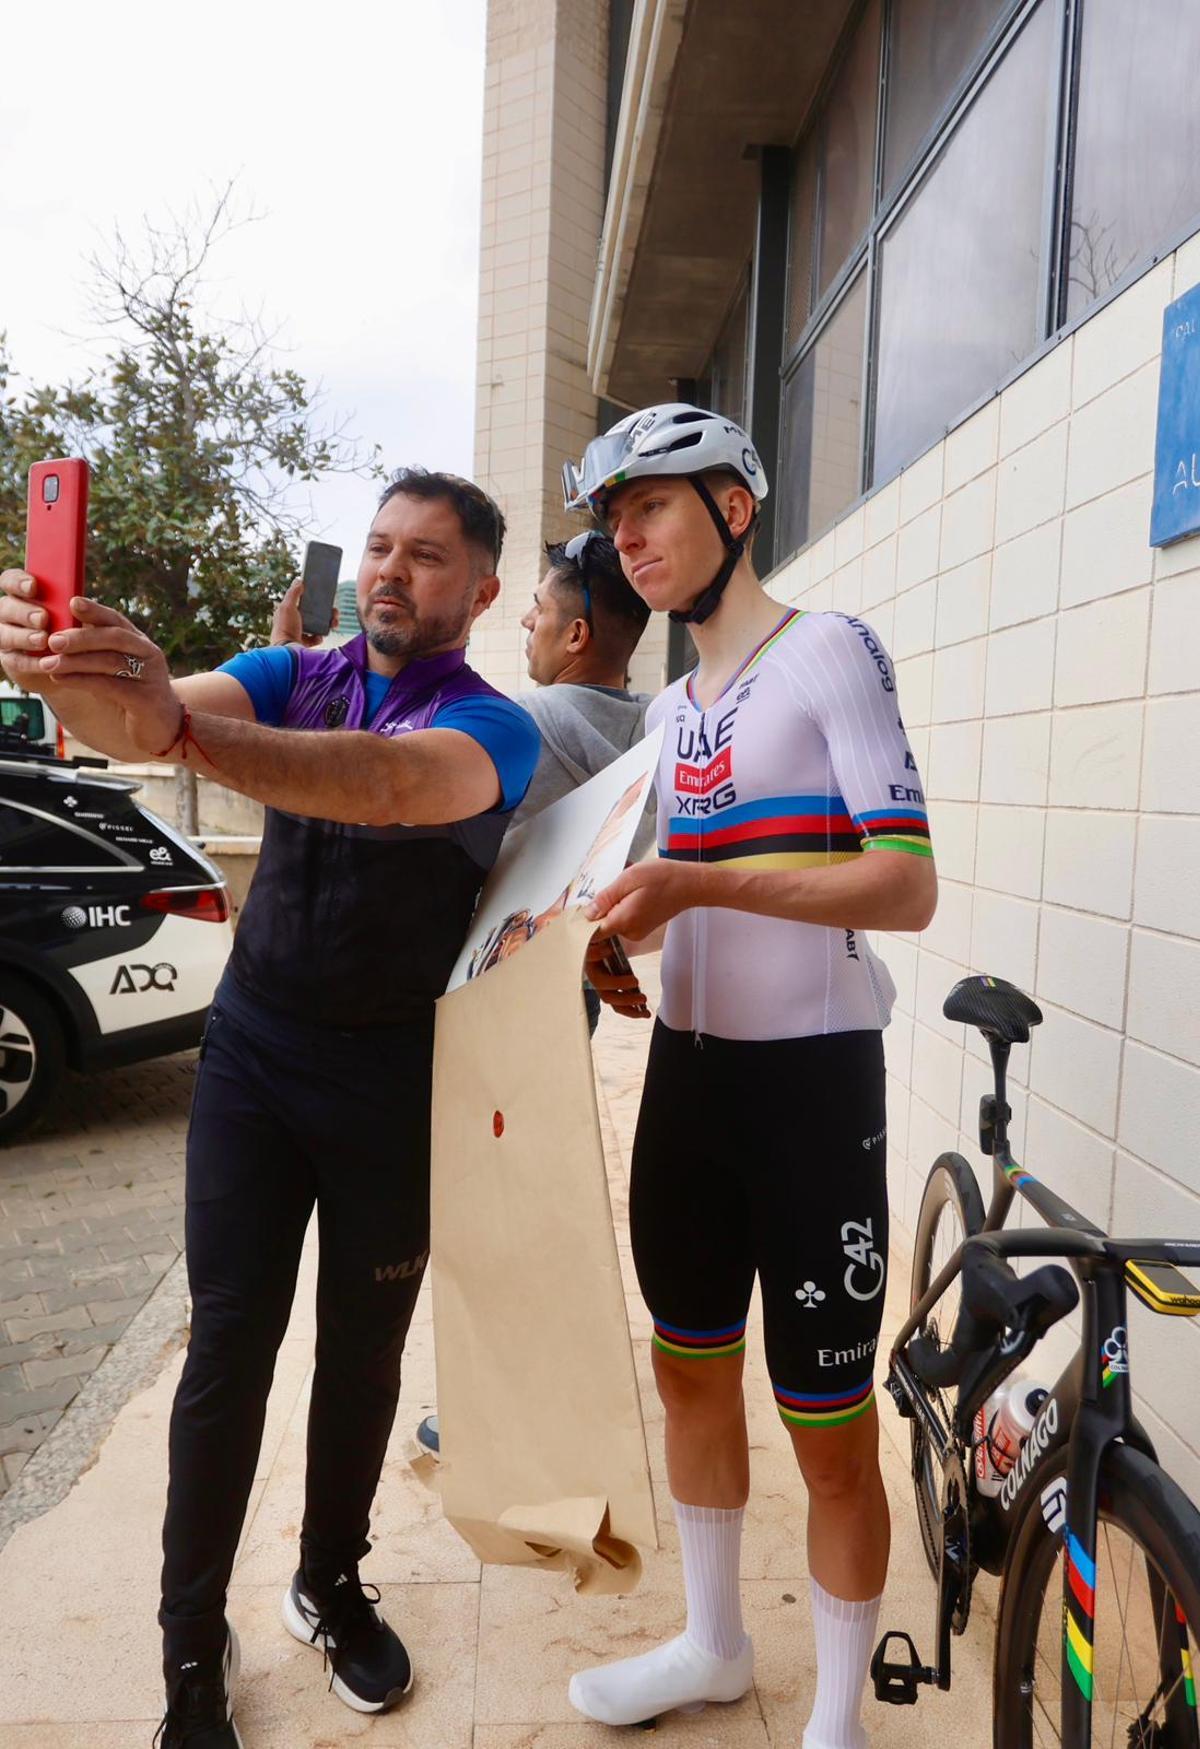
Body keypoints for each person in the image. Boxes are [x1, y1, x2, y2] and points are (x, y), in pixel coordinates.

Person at [0, 468, 541, 1749]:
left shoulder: (495, 726)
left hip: (392, 1081)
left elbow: (392, 787)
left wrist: (174, 727)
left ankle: (330, 1579)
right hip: (252, 1061)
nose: (392, 572)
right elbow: (137, 725)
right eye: (380, 547)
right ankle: (192, 1642)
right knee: (229, 1351)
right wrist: (54, 659)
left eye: (424, 555)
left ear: (481, 589)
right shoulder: (291, 671)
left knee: (360, 1354)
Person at [561, 404, 938, 1747]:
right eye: (614, 519)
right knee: (690, 1373)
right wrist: (626, 930)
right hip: (688, 1083)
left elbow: (905, 884)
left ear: (735, 508)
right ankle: (715, 1643)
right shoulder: (671, 706)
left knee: (829, 1430)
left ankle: (837, 1712)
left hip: (811, 1091)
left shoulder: (828, 652)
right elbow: (685, 893)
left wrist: (703, 880)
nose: (628, 537)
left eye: (651, 505)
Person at [415, 527, 654, 1458]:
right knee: (532, 1193)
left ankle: (496, 1415)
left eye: (542, 609)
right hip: (567, 992)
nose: (527, 619)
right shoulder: (640, 731)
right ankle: (541, 1399)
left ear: (579, 634)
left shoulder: (536, 720)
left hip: (502, 992)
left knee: (493, 1208)